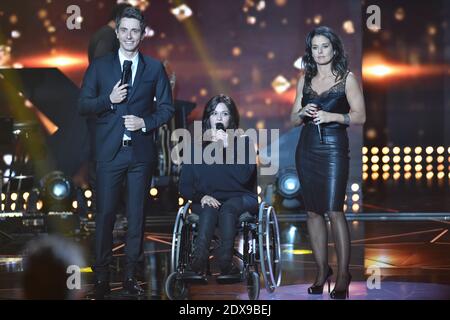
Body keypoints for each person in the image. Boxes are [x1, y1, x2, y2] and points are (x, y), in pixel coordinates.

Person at [78, 7, 175, 298]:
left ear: (142, 34)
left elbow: (167, 108)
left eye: (136, 30)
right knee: (105, 215)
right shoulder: (100, 66)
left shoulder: (154, 68)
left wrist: (145, 122)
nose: (130, 35)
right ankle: (102, 277)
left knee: (137, 216)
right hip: (109, 153)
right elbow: (83, 105)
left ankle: (132, 276)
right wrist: (108, 100)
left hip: (139, 154)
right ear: (117, 32)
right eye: (125, 30)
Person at [290, 26, 366, 299]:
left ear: (334, 49)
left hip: (334, 148)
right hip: (307, 147)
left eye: (324, 46)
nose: (320, 52)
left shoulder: (347, 79)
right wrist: (302, 111)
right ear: (310, 52)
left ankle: (344, 274)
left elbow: (360, 116)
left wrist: (334, 117)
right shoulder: (305, 79)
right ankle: (323, 271)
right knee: (312, 212)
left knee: (334, 210)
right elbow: (292, 119)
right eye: (315, 47)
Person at [178, 94, 257, 278]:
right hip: (209, 198)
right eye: (214, 113)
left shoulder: (244, 142)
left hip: (240, 197)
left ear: (232, 118)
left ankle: (226, 263)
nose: (219, 118)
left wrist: (228, 146)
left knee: (227, 209)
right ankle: (197, 263)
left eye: (225, 113)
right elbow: (185, 186)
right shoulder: (195, 146)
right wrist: (201, 197)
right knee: (208, 210)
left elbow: (244, 177)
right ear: (208, 118)